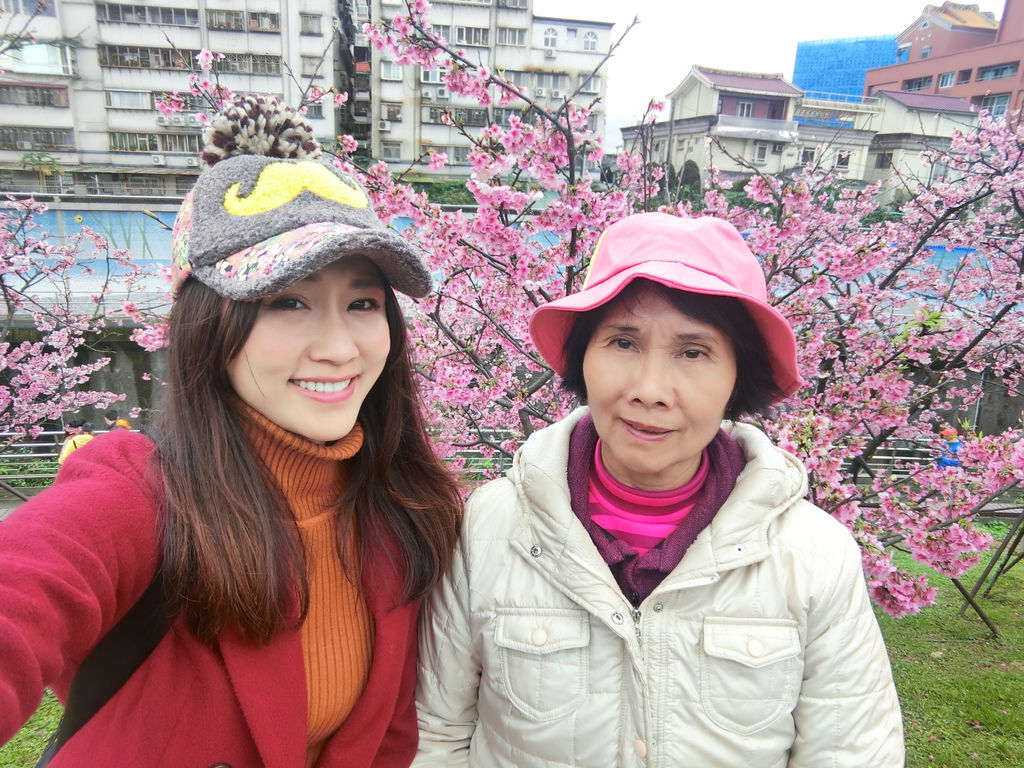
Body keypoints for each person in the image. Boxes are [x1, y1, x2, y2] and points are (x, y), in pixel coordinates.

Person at [0, 95, 462, 767]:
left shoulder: (404, 511)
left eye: (363, 302)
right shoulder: (138, 495)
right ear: (209, 326)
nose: (339, 347)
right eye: (287, 302)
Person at [414, 213, 904, 767]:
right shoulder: (489, 527)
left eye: (693, 352)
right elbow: (434, 735)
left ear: (736, 379)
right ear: (583, 359)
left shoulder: (814, 554)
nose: (649, 391)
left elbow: (851, 751)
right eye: (622, 341)